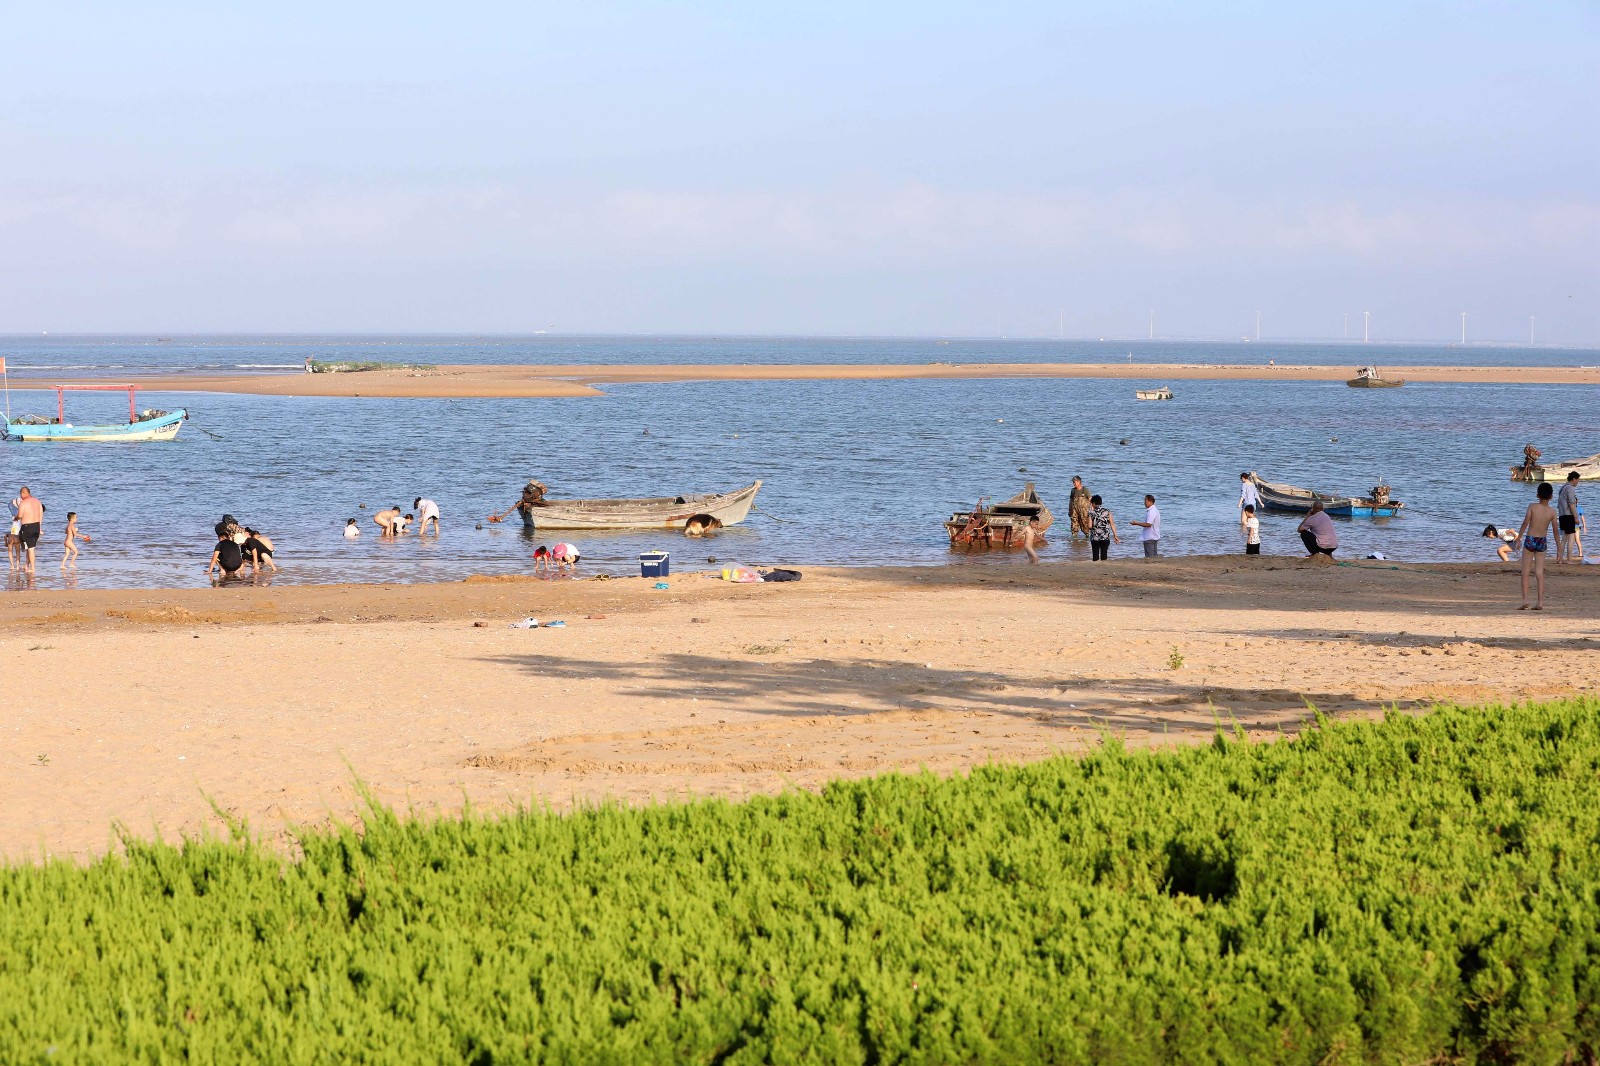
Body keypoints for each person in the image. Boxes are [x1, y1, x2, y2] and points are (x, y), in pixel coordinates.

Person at [1517, 482, 1559, 609]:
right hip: (1542, 541)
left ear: (1537, 495)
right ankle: (1540, 602)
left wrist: (1518, 538)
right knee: (1539, 572)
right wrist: (1559, 547)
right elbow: (1555, 531)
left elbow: (1525, 523)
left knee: (1525, 572)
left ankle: (1525, 600)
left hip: (1530, 539)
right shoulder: (1552, 512)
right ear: (1551, 496)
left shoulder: (1532, 506)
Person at [13, 487, 44, 572]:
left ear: (23, 493)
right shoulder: (37, 501)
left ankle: (32, 568)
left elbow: (20, 515)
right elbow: (41, 514)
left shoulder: (23, 503)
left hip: (27, 527)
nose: (21, 496)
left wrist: (16, 518)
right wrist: (40, 527)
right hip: (36, 526)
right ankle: (27, 564)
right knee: (31, 547)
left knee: (30, 548)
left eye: (20, 494)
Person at [1556, 471, 1581, 564]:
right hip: (1568, 515)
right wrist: (1576, 517)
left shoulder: (1563, 487)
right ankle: (1569, 559)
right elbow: (1571, 504)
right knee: (1571, 538)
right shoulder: (1570, 488)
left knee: (1564, 538)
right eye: (1577, 480)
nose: (1578, 482)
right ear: (1574, 479)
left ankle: (1560, 559)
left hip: (1562, 515)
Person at [1087, 494, 1119, 560]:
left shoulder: (1091, 512)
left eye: (1091, 503)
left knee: (1095, 557)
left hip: (1095, 538)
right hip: (1105, 537)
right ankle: (1104, 565)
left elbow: (1089, 526)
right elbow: (1112, 524)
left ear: (1093, 503)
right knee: (1104, 555)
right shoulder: (1107, 511)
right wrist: (1115, 535)